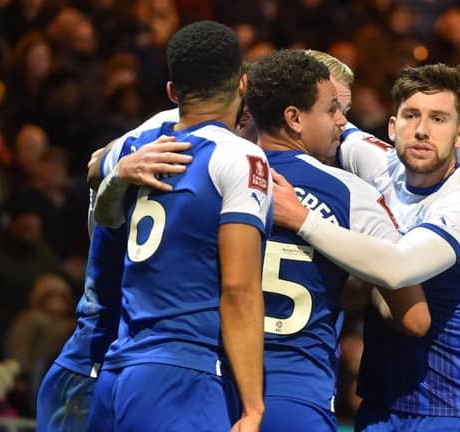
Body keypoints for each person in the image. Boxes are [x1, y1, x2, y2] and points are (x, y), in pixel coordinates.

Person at [272, 63, 460, 431]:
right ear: (393, 127)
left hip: (446, 412)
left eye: (439, 119)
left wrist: (303, 220)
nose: (423, 130)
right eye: (412, 116)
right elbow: (316, 119)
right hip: (377, 407)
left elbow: (397, 267)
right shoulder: (380, 162)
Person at [87, 21, 272, 432]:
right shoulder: (241, 157)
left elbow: (94, 167)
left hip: (118, 375)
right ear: (243, 85)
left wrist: (114, 170)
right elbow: (239, 290)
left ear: (173, 92)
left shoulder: (140, 147)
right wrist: (253, 406)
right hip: (182, 376)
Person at [243, 49, 430, 432]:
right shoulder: (349, 192)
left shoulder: (213, 170)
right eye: (332, 110)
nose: (343, 123)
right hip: (298, 396)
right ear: (294, 118)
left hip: (216, 389)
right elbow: (415, 317)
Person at [35, 137, 190, 432]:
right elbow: (96, 171)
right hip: (99, 362)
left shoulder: (136, 142)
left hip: (133, 366)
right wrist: (116, 172)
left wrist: (114, 171)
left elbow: (96, 168)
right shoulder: (223, 153)